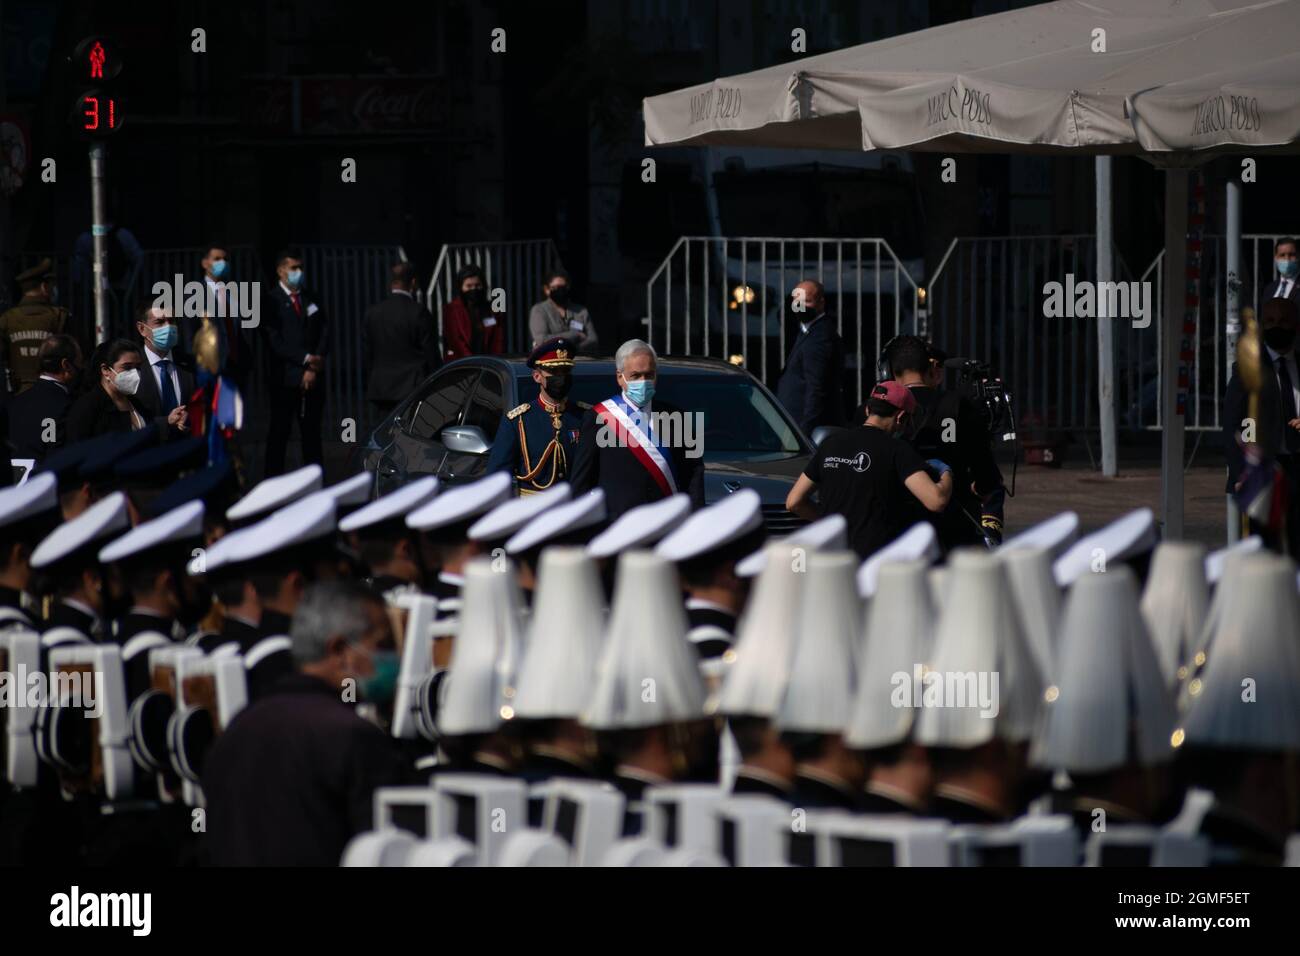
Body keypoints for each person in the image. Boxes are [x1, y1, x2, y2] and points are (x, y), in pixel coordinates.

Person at [200, 580, 407, 866]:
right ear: (340, 651)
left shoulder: (236, 730)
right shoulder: (352, 737)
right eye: (383, 645)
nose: (394, 658)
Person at [785, 381, 952, 560]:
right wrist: (946, 472)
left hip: (831, 560)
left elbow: (794, 502)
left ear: (867, 410)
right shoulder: (897, 450)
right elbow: (936, 500)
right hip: (874, 562)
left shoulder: (830, 444)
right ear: (901, 417)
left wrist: (830, 523)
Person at [887, 335, 1005, 552]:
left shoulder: (879, 408)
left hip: (896, 526)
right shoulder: (959, 405)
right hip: (954, 524)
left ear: (891, 371)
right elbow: (987, 475)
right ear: (930, 368)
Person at [570, 338, 705, 522]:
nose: (643, 381)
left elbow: (694, 475)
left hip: (666, 525)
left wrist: (696, 520)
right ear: (620, 377)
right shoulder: (598, 417)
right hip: (618, 528)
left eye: (649, 375)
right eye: (635, 376)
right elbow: (582, 481)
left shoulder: (680, 417)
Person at [1224, 296, 1300, 555]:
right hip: (1265, 469)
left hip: (1297, 465)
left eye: (1284, 321)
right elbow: (1235, 422)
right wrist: (1239, 471)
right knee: (1264, 549)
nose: (1277, 326)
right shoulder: (1249, 368)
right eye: (1270, 321)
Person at [486, 336, 584, 496]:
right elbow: (496, 480)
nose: (561, 377)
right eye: (553, 371)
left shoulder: (585, 416)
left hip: (575, 510)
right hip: (533, 511)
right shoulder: (518, 421)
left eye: (565, 371)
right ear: (537, 377)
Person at [263, 249, 329, 477]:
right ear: (281, 271)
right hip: (285, 379)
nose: (298, 273)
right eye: (293, 268)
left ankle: (315, 480)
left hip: (313, 378)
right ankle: (273, 484)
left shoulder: (313, 298)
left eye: (300, 268)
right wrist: (304, 359)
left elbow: (324, 332)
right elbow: (275, 342)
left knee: (311, 434)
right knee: (279, 434)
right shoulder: (271, 301)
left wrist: (313, 365)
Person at [65, 340, 187, 444]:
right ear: (106, 370)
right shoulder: (87, 407)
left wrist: (168, 422)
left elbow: (147, 432)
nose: (135, 373)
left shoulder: (136, 403)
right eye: (127, 367)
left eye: (138, 367)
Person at [363, 261, 439, 425]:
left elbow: (368, 354)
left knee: (384, 436)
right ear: (413, 282)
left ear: (392, 283)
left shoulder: (373, 313)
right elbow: (431, 354)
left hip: (381, 389)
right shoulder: (418, 312)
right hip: (412, 389)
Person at [774, 279, 845, 435]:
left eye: (806, 301)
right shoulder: (805, 330)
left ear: (821, 303)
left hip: (800, 428)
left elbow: (816, 387)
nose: (800, 306)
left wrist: (804, 431)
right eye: (797, 301)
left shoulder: (820, 337)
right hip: (793, 423)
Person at [185, 243, 254, 392]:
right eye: (216, 258)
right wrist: (202, 364)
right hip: (209, 370)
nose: (222, 263)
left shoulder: (234, 292)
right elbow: (189, 333)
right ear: (205, 263)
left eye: (225, 259)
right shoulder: (194, 294)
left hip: (236, 369)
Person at [0, 259, 70, 396]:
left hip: (17, 395)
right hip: (54, 394)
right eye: (51, 285)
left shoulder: (7, 319)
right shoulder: (59, 317)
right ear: (44, 287)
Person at [7, 335, 81, 460]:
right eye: (80, 362)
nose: (82, 368)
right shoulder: (67, 405)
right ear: (66, 365)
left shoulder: (14, 403)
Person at [134, 305, 195, 426]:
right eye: (160, 322)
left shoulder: (190, 364)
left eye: (172, 321)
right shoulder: (133, 367)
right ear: (142, 329)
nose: (168, 327)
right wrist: (166, 423)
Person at [442, 264, 504, 360]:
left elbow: (497, 340)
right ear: (461, 287)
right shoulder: (451, 310)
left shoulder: (492, 310)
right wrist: (473, 362)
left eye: (477, 285)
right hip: (460, 365)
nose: (473, 289)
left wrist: (494, 361)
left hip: (488, 365)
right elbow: (456, 341)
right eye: (469, 286)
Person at [529, 269, 598, 355]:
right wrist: (576, 335)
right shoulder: (539, 310)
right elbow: (542, 340)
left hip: (579, 359)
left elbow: (593, 339)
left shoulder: (581, 311)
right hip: (549, 360)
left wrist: (573, 349)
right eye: (556, 288)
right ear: (547, 289)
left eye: (563, 287)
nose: (560, 291)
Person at [1262, 236, 1300, 303]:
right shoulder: (1269, 289)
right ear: (1276, 258)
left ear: (1298, 256)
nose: (1287, 259)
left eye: (1291, 255)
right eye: (1282, 255)